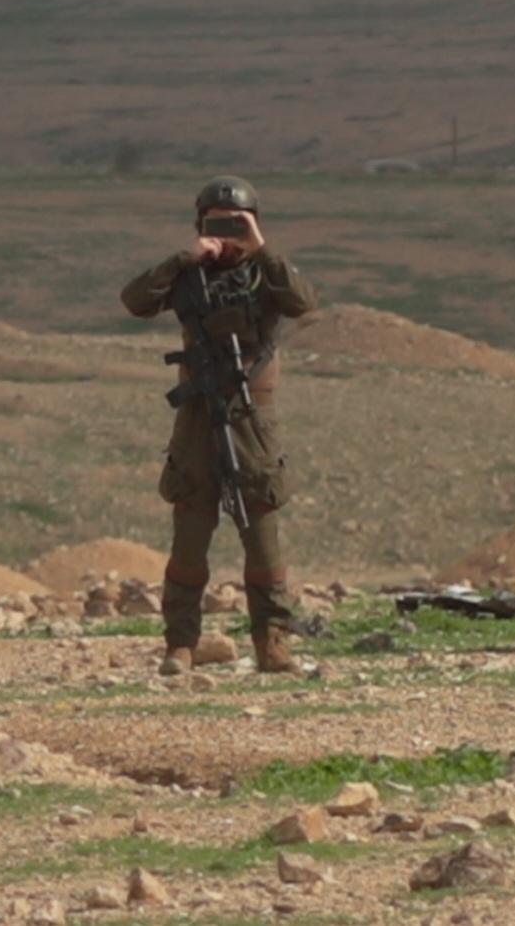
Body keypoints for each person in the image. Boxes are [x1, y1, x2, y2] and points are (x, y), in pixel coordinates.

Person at [120, 175, 317, 675]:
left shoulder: (266, 274)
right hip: (196, 417)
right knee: (190, 533)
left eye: (236, 225)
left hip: (253, 419)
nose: (227, 236)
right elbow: (135, 300)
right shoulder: (189, 275)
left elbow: (303, 302)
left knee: (262, 534)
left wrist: (262, 248)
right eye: (216, 225)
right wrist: (185, 259)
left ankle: (272, 642)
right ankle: (179, 645)